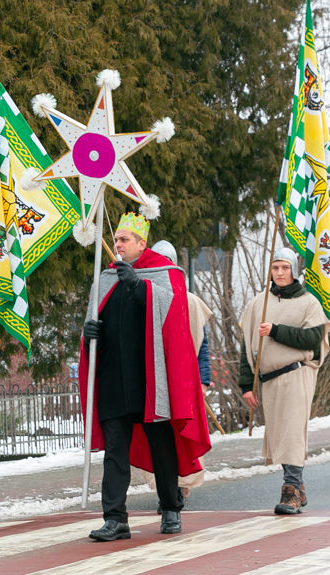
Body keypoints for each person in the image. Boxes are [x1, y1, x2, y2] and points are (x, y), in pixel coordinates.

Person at [79, 212, 211, 541]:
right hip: (112, 378)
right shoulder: (104, 278)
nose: (117, 245)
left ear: (141, 243)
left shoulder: (166, 275)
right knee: (115, 451)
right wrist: (90, 333)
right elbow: (95, 328)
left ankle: (170, 508)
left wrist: (138, 286)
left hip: (152, 378)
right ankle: (115, 518)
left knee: (162, 446)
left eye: (124, 240)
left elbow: (172, 315)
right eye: (116, 239)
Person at [239, 247, 330, 515]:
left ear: (294, 270)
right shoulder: (259, 303)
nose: (279, 273)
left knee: (291, 433)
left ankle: (290, 490)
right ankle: (298, 486)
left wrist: (276, 331)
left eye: (285, 268)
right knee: (279, 436)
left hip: (296, 373)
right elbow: (246, 346)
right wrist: (247, 385)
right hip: (269, 379)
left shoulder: (309, 303)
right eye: (275, 268)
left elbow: (313, 339)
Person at [142, 239, 213, 510]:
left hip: (183, 378)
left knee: (183, 432)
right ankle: (166, 490)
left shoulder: (191, 301)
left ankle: (180, 488)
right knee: (159, 437)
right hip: (155, 379)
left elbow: (202, 345)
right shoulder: (144, 294)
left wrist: (204, 379)